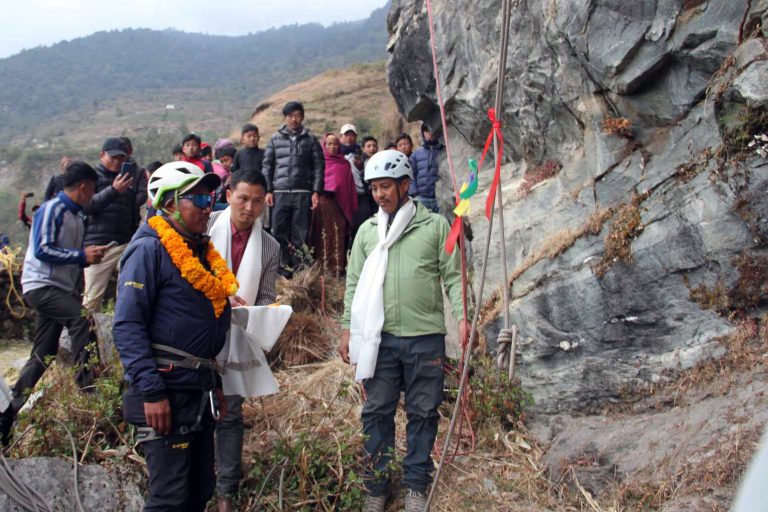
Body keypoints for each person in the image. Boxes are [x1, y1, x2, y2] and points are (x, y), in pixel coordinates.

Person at [338, 150, 469, 512]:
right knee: (376, 412)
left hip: (425, 337)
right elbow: (353, 284)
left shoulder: (434, 226)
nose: (379, 194)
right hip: (378, 340)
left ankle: (415, 484)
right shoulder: (367, 232)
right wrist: (347, 328)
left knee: (423, 412)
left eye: (385, 186)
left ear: (405, 185)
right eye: (374, 188)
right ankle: (376, 486)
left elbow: (454, 277)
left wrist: (463, 317)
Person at [113, 161, 232, 511]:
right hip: (166, 392)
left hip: (198, 388)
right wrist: (151, 391)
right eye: (198, 199)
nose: (207, 207)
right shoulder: (148, 250)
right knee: (170, 497)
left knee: (199, 491)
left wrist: (215, 383)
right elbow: (127, 324)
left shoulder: (199, 250)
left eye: (210, 198)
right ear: (168, 204)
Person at [0, 162, 107, 446]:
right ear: (83, 186)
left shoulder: (76, 216)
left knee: (43, 353)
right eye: (92, 189)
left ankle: (7, 414)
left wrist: (85, 258)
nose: (93, 195)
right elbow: (43, 249)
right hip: (42, 285)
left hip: (59, 288)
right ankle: (89, 386)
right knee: (82, 319)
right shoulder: (52, 210)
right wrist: (81, 256)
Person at [207, 168, 280, 512]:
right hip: (196, 333)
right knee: (196, 409)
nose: (249, 208)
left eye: (257, 201)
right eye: (243, 199)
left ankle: (226, 490)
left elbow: (266, 296)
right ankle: (198, 480)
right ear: (228, 196)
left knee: (230, 412)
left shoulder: (269, 247)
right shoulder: (206, 227)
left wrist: (253, 311)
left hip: (237, 337)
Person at [81, 137, 148, 311]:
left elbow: (134, 208)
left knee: (130, 289)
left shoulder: (129, 178)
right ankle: (86, 328)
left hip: (124, 244)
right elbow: (88, 206)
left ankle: (122, 323)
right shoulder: (91, 178)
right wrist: (113, 190)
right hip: (98, 246)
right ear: (102, 155)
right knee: (91, 299)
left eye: (121, 158)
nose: (117, 162)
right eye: (113, 157)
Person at [262, 101, 324, 276]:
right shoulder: (275, 139)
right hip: (279, 192)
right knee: (278, 231)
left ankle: (300, 271)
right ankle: (280, 269)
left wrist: (316, 192)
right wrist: (268, 190)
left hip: (302, 192)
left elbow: (319, 167)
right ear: (284, 118)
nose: (293, 119)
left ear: (302, 117)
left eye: (297, 115)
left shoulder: (311, 139)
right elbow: (267, 165)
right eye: (290, 116)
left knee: (300, 232)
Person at [311, 134, 358, 274]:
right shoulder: (319, 162)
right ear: (324, 145)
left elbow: (349, 186)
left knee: (338, 234)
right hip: (322, 204)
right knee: (322, 235)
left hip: (339, 206)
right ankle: (321, 268)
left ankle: (336, 269)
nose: (332, 147)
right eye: (329, 144)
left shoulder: (344, 164)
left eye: (335, 144)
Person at [408, 124, 444, 213]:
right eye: (427, 131)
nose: (430, 133)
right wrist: (414, 194)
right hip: (422, 198)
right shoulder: (416, 154)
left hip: (441, 198)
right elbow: (409, 175)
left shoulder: (444, 151)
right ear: (423, 133)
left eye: (431, 130)